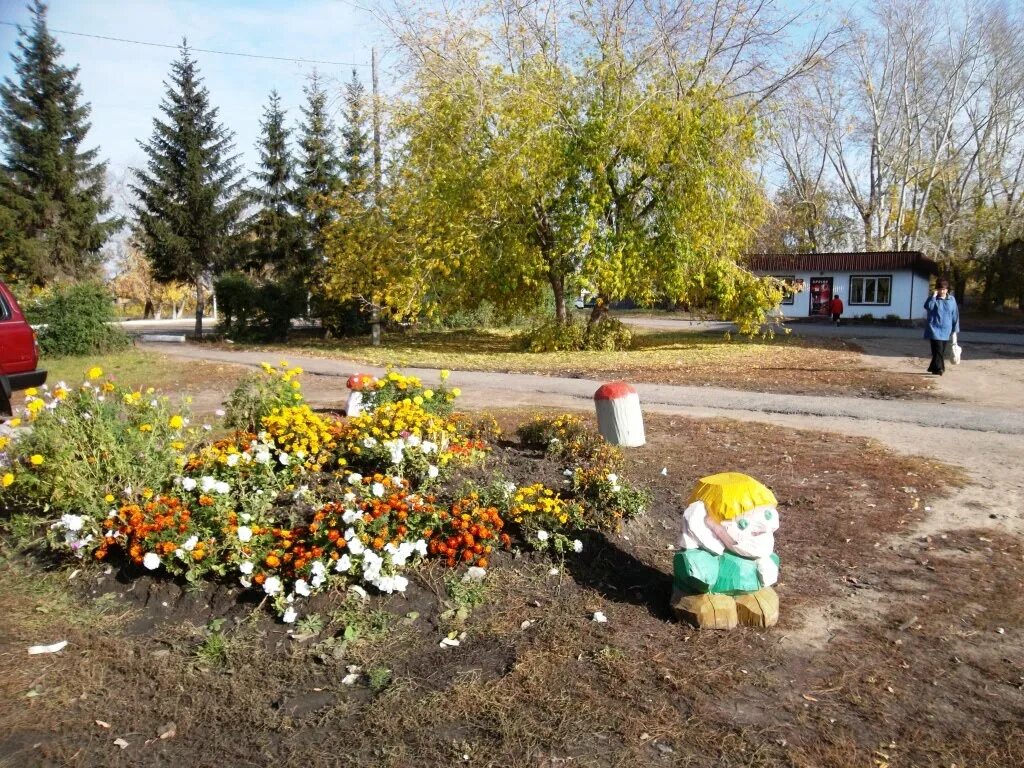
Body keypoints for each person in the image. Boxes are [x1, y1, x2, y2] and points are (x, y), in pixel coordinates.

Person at [923, 277, 959, 376]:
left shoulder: (952, 299)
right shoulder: (933, 299)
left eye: (944, 289)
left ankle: (933, 368)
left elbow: (955, 314)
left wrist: (955, 329)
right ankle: (940, 369)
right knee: (938, 350)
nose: (942, 291)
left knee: (939, 351)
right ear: (937, 289)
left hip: (946, 329)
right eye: (940, 289)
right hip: (934, 328)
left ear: (947, 290)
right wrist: (933, 297)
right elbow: (928, 307)